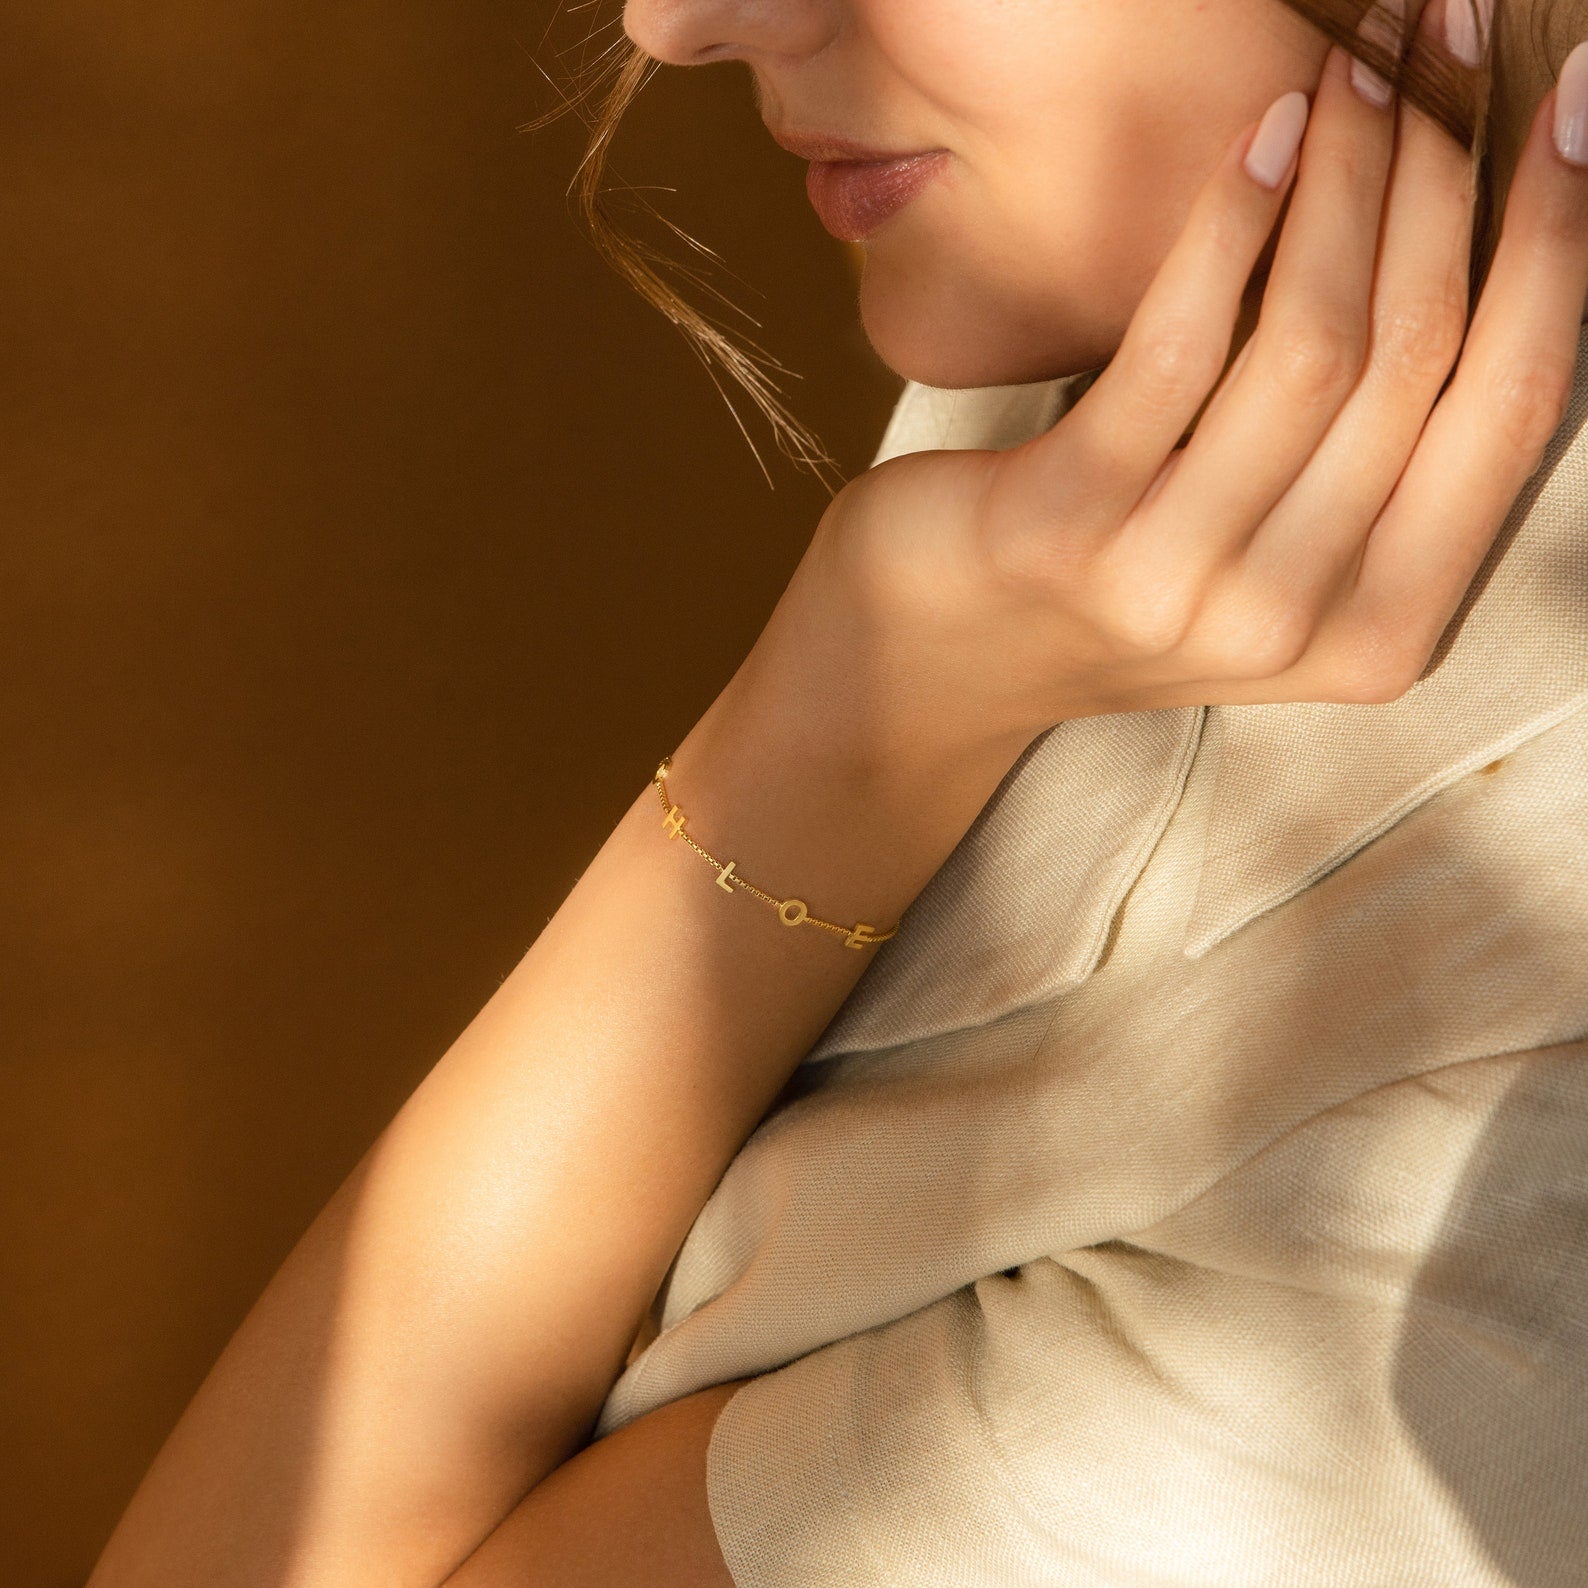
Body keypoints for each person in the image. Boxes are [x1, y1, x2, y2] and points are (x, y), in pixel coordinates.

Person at [87, 0, 1588, 1581]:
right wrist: (858, 697)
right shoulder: (1152, 408)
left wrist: (827, 746)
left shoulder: (1457, 1199)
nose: (674, 24)